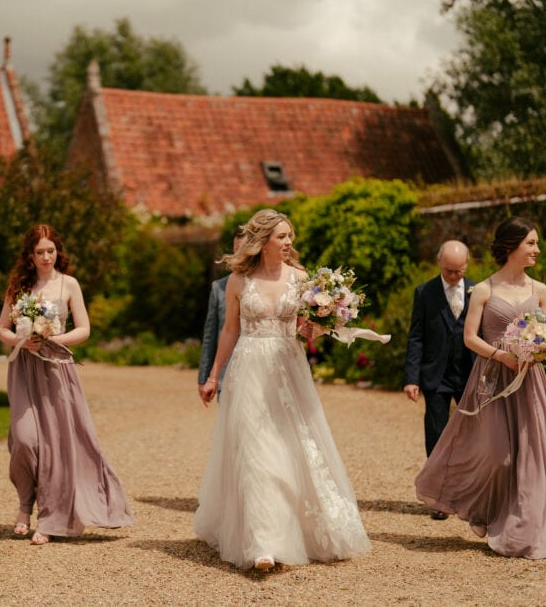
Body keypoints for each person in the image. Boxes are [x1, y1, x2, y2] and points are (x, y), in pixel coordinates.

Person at [194, 209, 370, 572]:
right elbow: (229, 330)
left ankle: (300, 530)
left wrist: (317, 328)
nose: (289, 242)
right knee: (257, 451)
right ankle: (263, 543)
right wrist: (213, 376)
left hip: (289, 369)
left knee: (293, 446)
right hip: (249, 370)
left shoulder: (303, 279)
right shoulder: (239, 281)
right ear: (263, 242)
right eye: (282, 237)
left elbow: (310, 326)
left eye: (290, 235)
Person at [415, 216, 546, 559]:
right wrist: (502, 356)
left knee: (531, 457)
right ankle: (486, 510)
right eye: (531, 243)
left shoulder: (539, 290)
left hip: (529, 383)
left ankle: (522, 530)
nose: (537, 249)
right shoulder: (483, 290)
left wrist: (540, 350)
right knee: (499, 456)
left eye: (536, 243)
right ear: (511, 247)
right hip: (492, 381)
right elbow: (469, 338)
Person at [0, 224, 135, 546]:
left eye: (51, 251)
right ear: (30, 256)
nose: (46, 257)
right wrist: (20, 338)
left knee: (58, 444)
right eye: (40, 252)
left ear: (58, 252)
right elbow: (1, 329)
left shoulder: (68, 284)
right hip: (24, 369)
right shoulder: (17, 287)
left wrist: (53, 339)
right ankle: (24, 503)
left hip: (57, 369)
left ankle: (49, 518)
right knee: (24, 439)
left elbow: (84, 329)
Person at [404, 240, 476, 520]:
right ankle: (438, 498)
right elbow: (416, 337)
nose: (455, 276)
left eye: (460, 271)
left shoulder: (479, 291)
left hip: (469, 374)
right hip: (435, 376)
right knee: (436, 436)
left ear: (467, 266)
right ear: (439, 264)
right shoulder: (424, 292)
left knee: (474, 435)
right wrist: (412, 378)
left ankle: (470, 494)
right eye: (449, 271)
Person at [197, 224, 247, 402]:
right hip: (226, 375)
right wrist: (205, 378)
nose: (239, 257)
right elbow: (211, 334)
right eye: (236, 251)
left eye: (244, 251)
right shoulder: (219, 287)